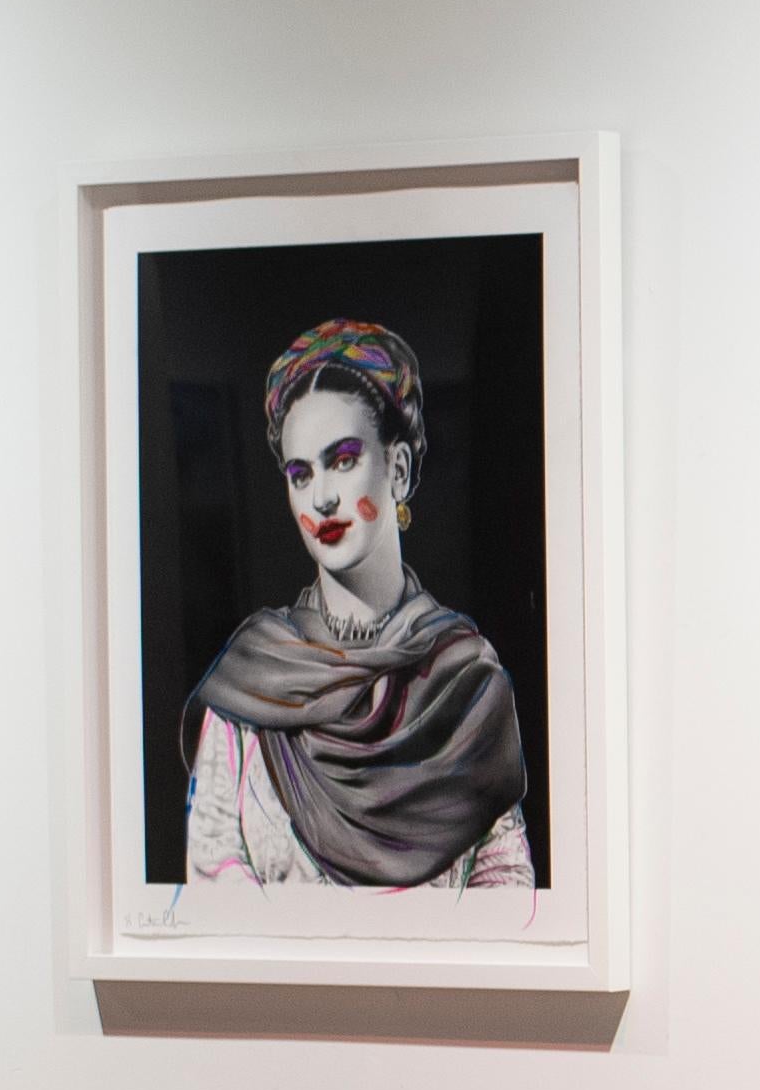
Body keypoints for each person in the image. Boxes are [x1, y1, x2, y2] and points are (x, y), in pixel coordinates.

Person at [183, 317, 534, 889]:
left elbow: (504, 880)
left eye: (343, 460)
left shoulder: (467, 680)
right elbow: (213, 869)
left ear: (398, 470)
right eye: (301, 474)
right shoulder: (251, 680)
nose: (322, 497)